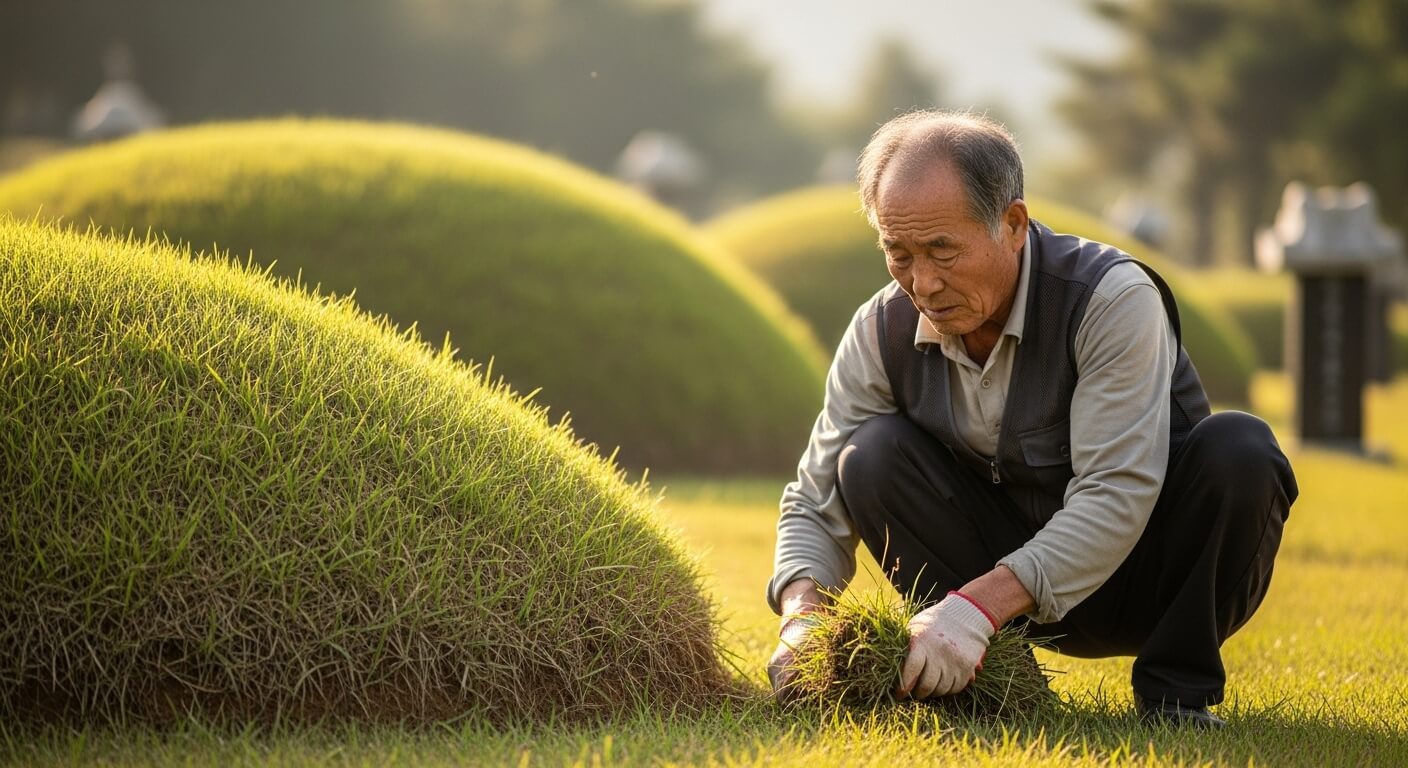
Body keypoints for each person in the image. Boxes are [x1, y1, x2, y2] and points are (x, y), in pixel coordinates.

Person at [765, 110, 1298, 728]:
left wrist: (975, 609)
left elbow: (1117, 491)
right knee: (870, 453)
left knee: (1243, 448)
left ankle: (1175, 694)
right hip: (994, 594)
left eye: (942, 249)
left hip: (1145, 573)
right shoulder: (880, 328)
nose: (923, 282)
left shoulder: (1110, 299)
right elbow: (816, 493)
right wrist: (802, 617)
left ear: (1013, 224)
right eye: (899, 253)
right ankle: (991, 685)